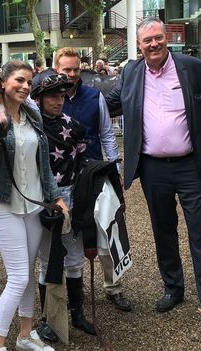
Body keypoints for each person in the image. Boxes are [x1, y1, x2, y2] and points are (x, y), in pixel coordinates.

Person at [105, 17, 201, 332]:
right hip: (152, 167)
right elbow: (108, 104)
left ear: (166, 38)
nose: (154, 44)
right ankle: (173, 287)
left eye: (158, 38)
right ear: (140, 45)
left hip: (191, 165)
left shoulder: (193, 68)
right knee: (163, 230)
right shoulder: (131, 72)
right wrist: (68, 94)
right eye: (147, 40)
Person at [0, 61, 66, 351]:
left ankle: (25, 336)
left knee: (29, 270)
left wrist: (54, 196)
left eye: (29, 81)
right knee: (19, 275)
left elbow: (44, 163)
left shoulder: (33, 114)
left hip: (35, 205)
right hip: (4, 206)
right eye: (19, 81)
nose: (25, 86)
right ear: (3, 81)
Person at [54, 47, 132, 312]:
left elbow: (107, 134)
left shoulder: (94, 96)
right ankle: (74, 287)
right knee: (69, 232)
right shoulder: (47, 98)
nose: (72, 74)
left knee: (106, 227)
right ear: (57, 70)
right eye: (67, 70)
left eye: (76, 69)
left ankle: (114, 287)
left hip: (96, 171)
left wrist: (116, 171)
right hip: (63, 176)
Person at [30, 71, 95, 342]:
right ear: (39, 99)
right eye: (52, 96)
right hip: (43, 200)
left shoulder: (75, 126)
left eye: (61, 95)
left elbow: (82, 161)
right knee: (49, 258)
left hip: (71, 196)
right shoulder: (31, 130)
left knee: (75, 256)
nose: (59, 101)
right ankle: (49, 317)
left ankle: (77, 312)